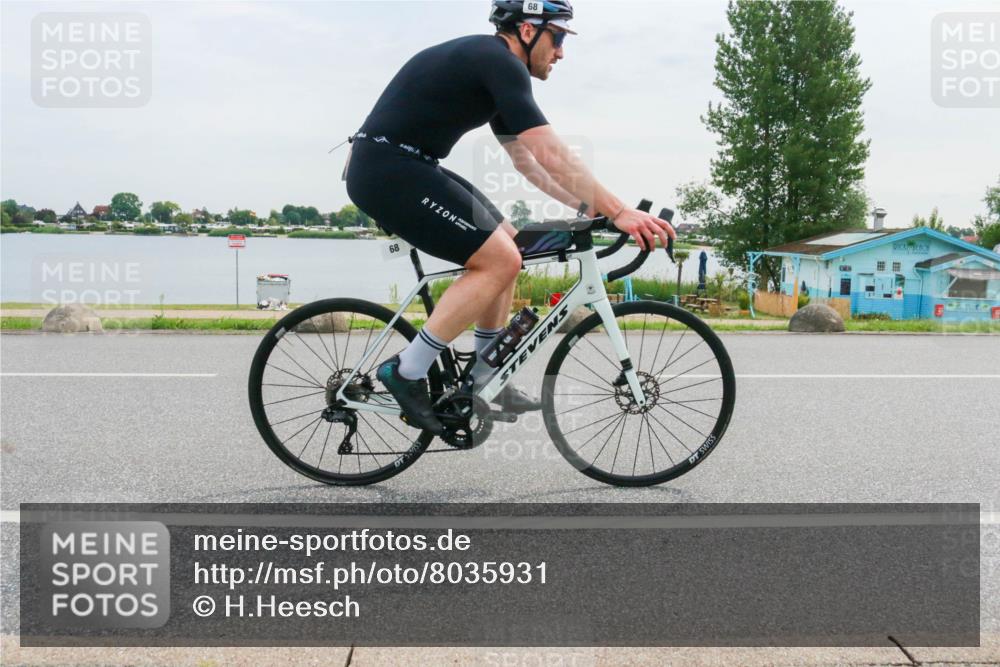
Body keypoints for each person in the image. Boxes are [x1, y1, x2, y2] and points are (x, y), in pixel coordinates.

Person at [345, 0, 675, 435]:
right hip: (388, 169)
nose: (560, 53)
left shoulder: (492, 69)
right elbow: (547, 149)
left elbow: (528, 164)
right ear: (526, 30)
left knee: (510, 244)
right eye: (557, 37)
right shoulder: (498, 62)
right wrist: (618, 209)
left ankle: (484, 374)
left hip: (407, 164)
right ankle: (406, 371)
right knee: (499, 259)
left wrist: (588, 208)